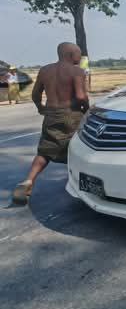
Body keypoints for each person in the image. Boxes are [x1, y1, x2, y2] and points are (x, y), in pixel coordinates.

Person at [11, 43, 89, 205]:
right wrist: (87, 110)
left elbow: (35, 94)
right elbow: (81, 97)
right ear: (70, 54)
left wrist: (41, 108)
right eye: (78, 54)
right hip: (72, 114)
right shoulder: (77, 71)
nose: (80, 57)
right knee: (78, 149)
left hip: (51, 114)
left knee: (45, 150)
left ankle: (28, 181)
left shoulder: (45, 70)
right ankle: (79, 184)